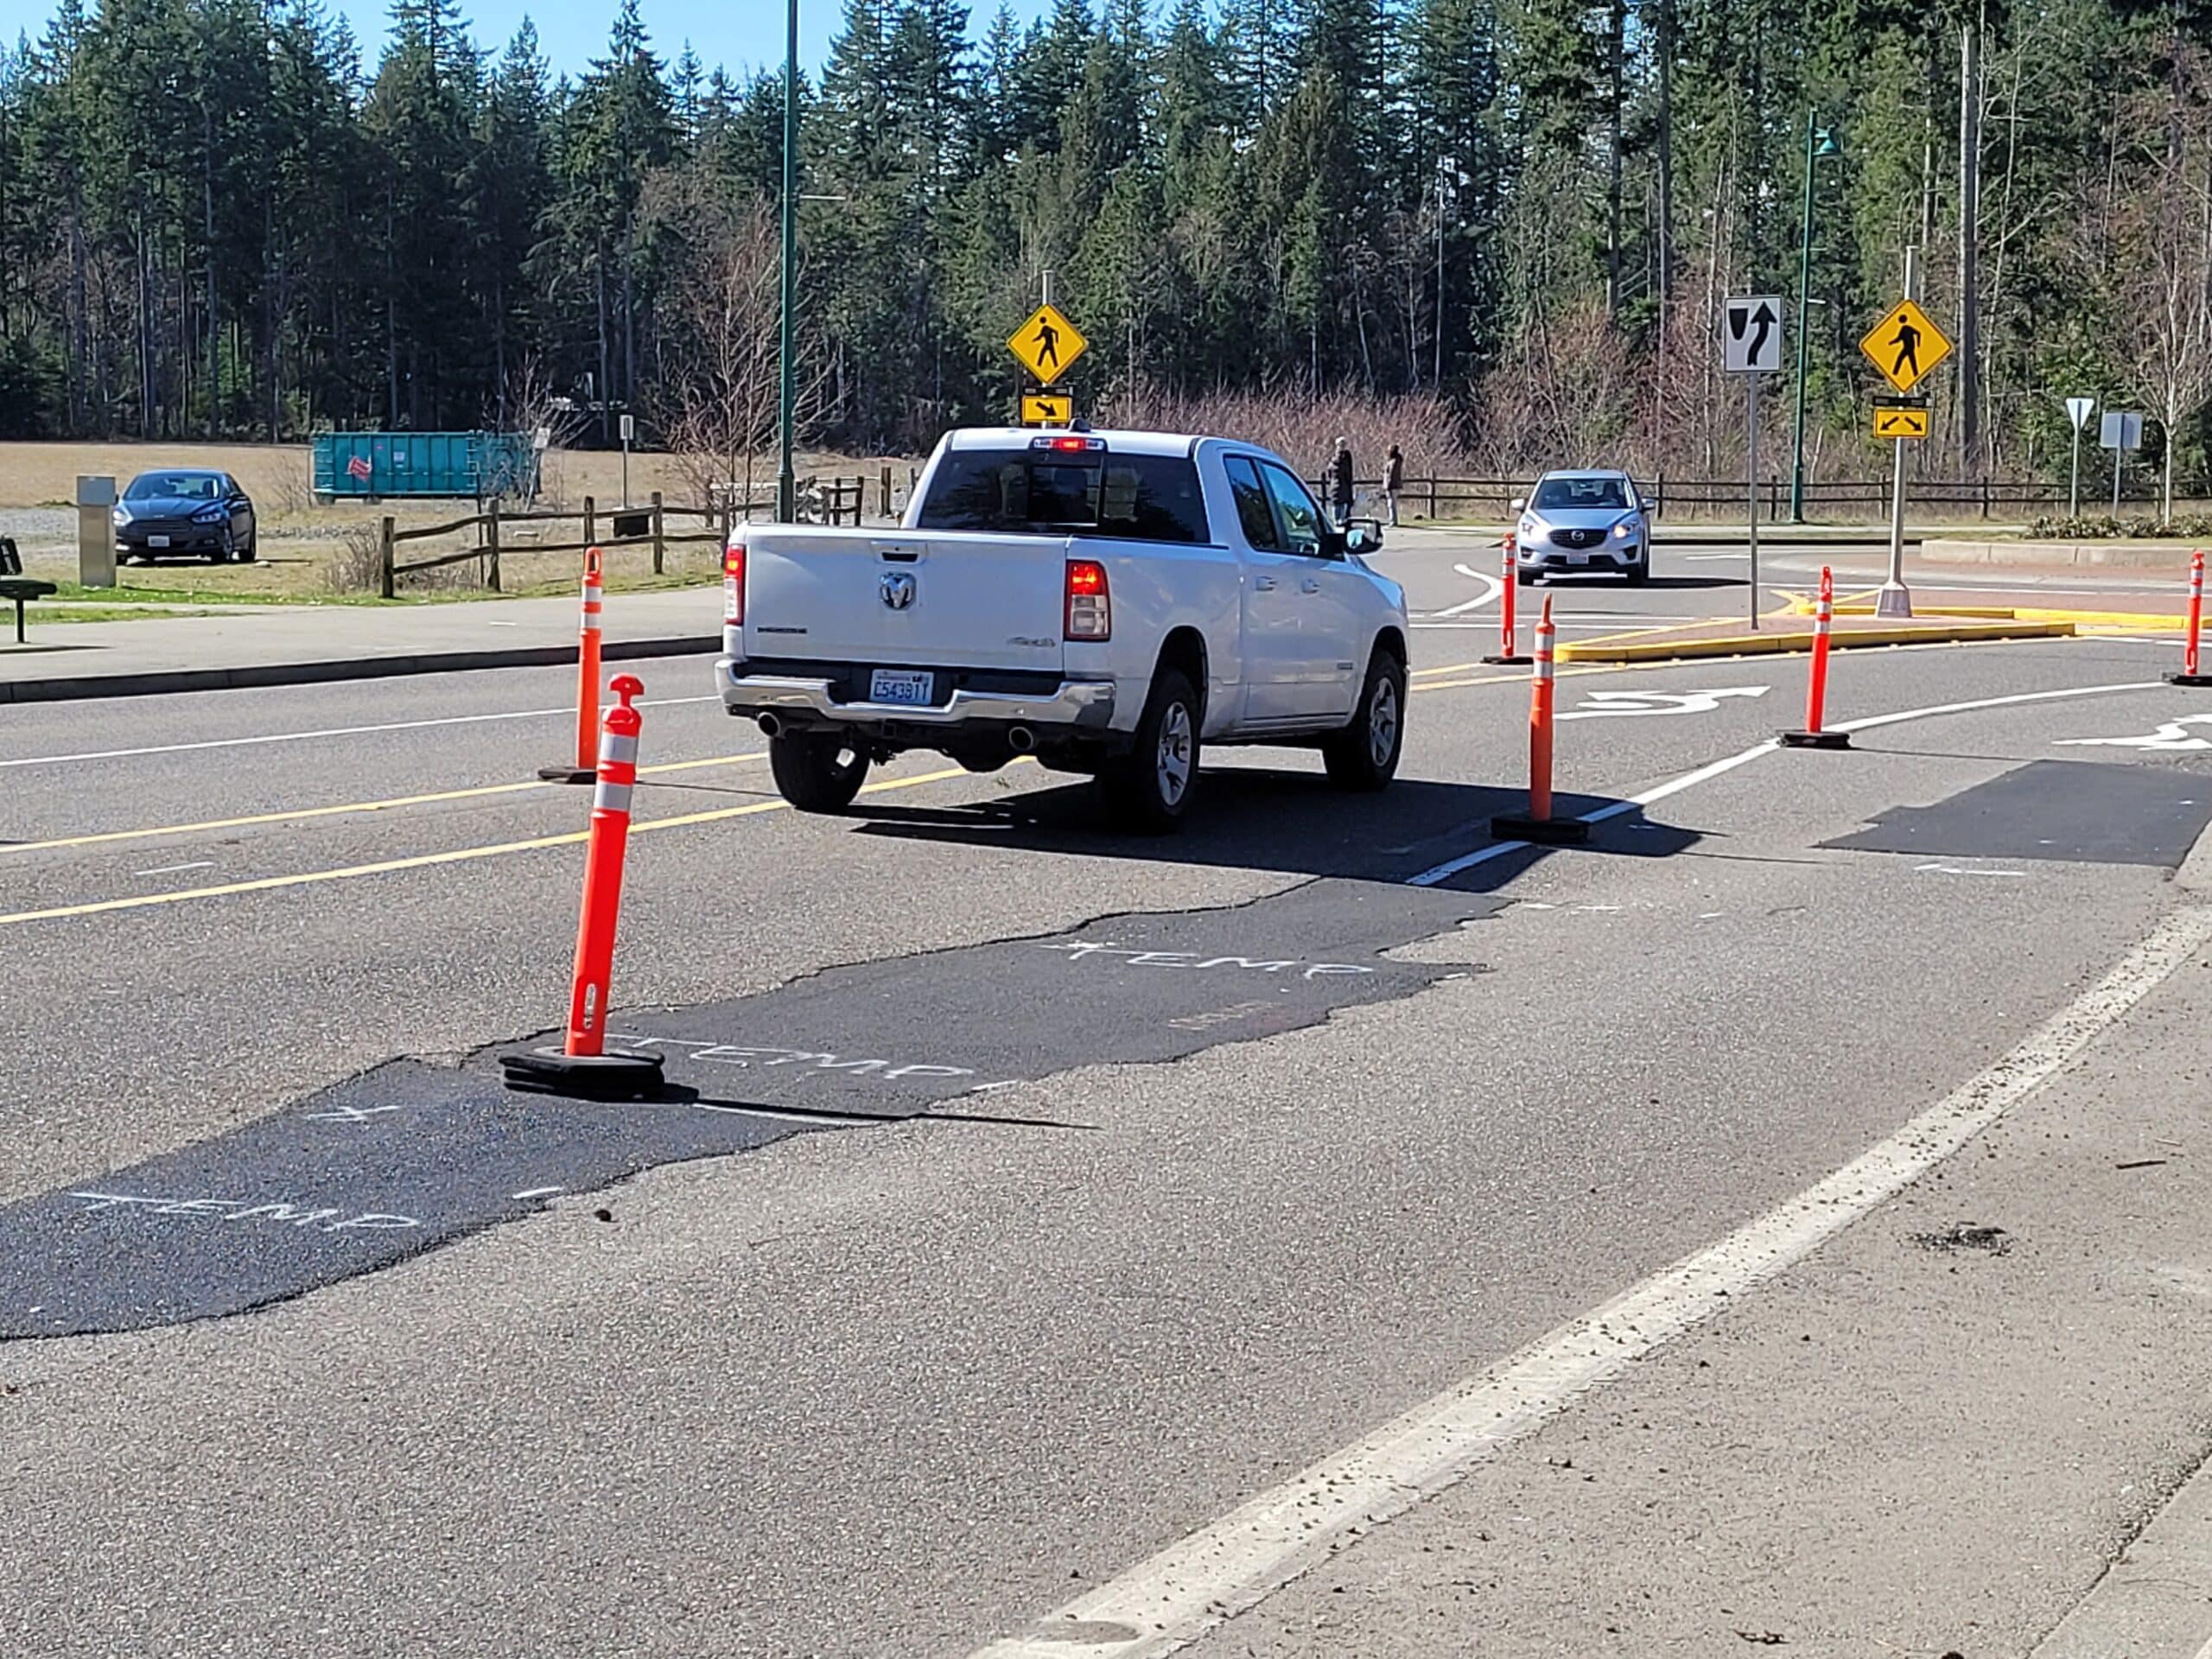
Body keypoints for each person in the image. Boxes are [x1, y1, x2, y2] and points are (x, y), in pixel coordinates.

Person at [1328, 437, 1355, 528]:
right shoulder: (1345, 461)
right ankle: (1342, 520)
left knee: (1335, 504)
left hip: (1334, 485)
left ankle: (1335, 520)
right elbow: (1348, 474)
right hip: (1343, 485)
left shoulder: (1332, 463)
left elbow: (1329, 474)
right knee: (1342, 504)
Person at [1382, 443, 1404, 527]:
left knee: (1391, 504)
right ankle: (1393, 520)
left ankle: (1393, 521)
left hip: (1392, 485)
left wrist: (1388, 486)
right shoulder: (1396, 460)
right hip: (1394, 485)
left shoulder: (1394, 462)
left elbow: (1391, 475)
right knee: (1392, 504)